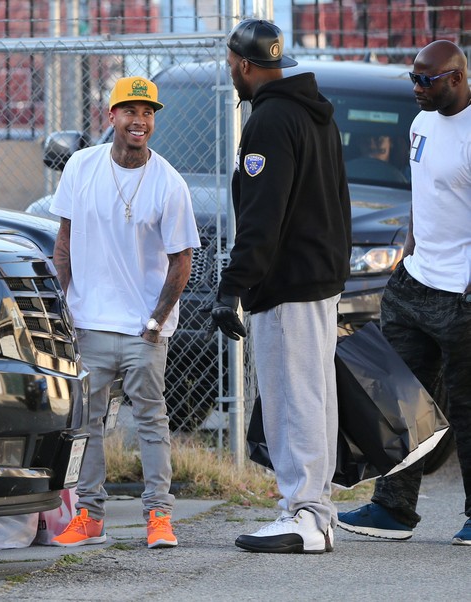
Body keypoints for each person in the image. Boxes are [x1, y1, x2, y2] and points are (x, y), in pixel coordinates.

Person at [208, 19, 352, 553]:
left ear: (245, 65)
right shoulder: (315, 113)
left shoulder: (269, 121)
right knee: (313, 398)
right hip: (318, 279)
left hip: (288, 283)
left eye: (232, 66)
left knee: (293, 401)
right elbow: (339, 199)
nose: (232, 74)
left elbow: (261, 216)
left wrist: (234, 287)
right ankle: (317, 512)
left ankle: (304, 516)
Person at [49, 76, 201, 548]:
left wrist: (156, 321)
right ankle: (90, 516)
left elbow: (182, 260)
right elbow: (63, 242)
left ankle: (158, 516)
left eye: (148, 113)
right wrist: (64, 310)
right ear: (111, 115)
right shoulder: (82, 166)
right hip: (89, 321)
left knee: (151, 420)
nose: (140, 121)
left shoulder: (169, 183)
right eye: (131, 111)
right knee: (87, 423)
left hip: (143, 328)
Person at [338, 40, 471, 545]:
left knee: (465, 409)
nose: (416, 87)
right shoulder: (420, 124)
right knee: (397, 398)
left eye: (426, 80)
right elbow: (424, 194)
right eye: (413, 78)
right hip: (414, 283)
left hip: (460, 295)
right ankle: (393, 509)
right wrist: (407, 256)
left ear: (456, 78)